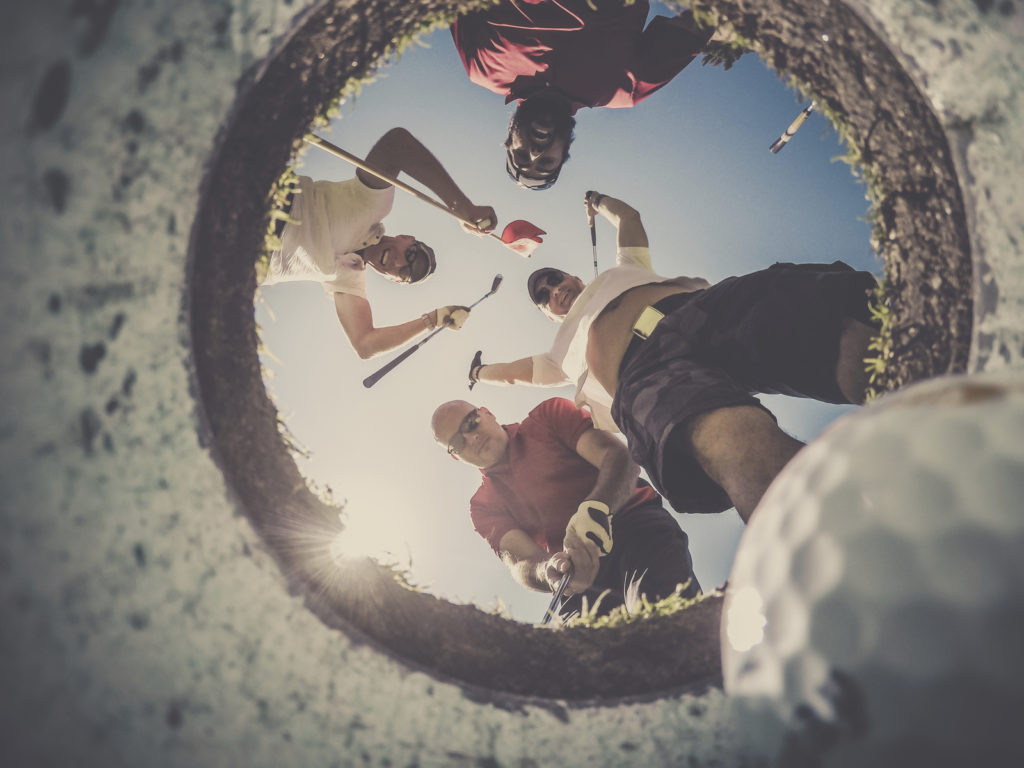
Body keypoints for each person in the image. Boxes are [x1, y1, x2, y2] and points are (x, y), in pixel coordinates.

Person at [467, 191, 879, 523]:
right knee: (727, 439)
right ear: (546, 312)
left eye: (554, 280)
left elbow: (629, 218)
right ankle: (840, 543)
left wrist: (599, 202)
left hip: (705, 310)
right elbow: (516, 374)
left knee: (828, 324)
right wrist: (480, 371)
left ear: (573, 278)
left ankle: (924, 381)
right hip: (645, 371)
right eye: (544, 296)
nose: (553, 290)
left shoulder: (623, 268)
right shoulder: (559, 351)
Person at [431, 397, 701, 618]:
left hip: (635, 530)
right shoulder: (482, 507)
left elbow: (618, 458)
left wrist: (595, 509)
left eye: (471, 422)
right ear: (455, 456)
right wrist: (549, 572)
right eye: (457, 442)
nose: (471, 438)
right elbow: (522, 561)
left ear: (487, 413)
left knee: (664, 617)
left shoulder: (548, 416)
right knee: (590, 665)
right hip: (574, 577)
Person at [260, 127, 497, 359]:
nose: (400, 263)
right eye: (412, 256)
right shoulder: (374, 205)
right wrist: (460, 206)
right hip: (266, 199)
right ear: (406, 238)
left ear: (392, 279)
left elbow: (365, 345)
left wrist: (432, 319)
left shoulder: (349, 281)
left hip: (249, 260)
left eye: (405, 273)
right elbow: (397, 145)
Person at [451, 0, 736, 190]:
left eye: (522, 156)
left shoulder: (480, 67)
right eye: (547, 161)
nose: (536, 152)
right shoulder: (625, 90)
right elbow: (702, 24)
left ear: (508, 137)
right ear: (565, 151)